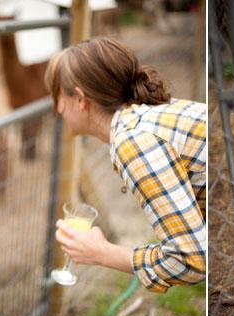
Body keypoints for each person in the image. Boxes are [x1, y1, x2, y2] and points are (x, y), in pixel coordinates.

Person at [45, 37, 206, 293]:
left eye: (57, 97)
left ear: (79, 99)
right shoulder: (143, 117)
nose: (57, 109)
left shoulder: (132, 142)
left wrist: (102, 253)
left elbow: (191, 260)